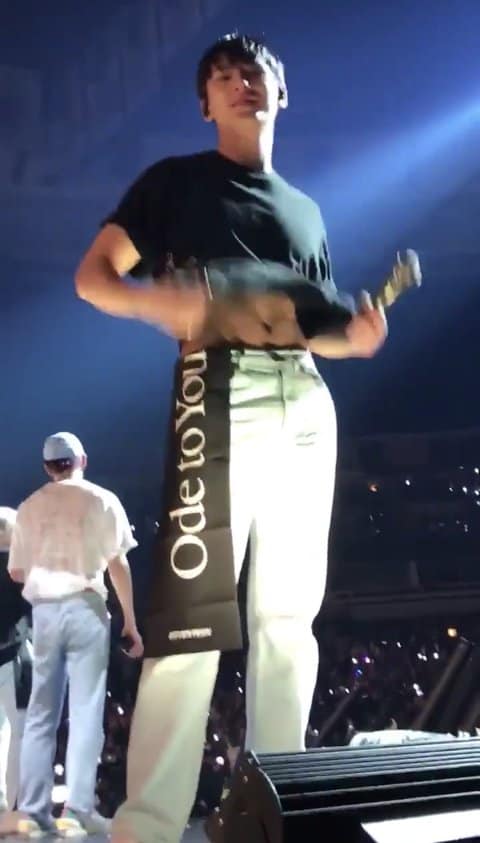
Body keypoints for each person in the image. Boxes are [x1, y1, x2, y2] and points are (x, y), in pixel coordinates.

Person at [75, 33, 387, 843]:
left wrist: (354, 338)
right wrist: (158, 302)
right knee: (191, 618)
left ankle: (274, 813)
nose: (239, 83)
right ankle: (148, 826)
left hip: (305, 399)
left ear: (281, 93)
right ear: (204, 104)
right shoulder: (174, 182)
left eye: (253, 73)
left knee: (289, 618)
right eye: (221, 77)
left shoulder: (305, 210)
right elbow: (93, 277)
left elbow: (316, 326)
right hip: (218, 389)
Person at [7, 432, 143, 837]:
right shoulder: (102, 500)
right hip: (86, 607)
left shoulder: (28, 508)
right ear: (83, 460)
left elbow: (17, 572)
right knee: (85, 712)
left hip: (45, 613)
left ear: (47, 467)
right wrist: (130, 623)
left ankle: (34, 811)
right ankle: (79, 809)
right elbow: (118, 564)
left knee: (41, 715)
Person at [0, 508, 28, 832]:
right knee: (10, 733)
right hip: (7, 657)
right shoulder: (17, 571)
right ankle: (6, 806)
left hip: (7, 657)